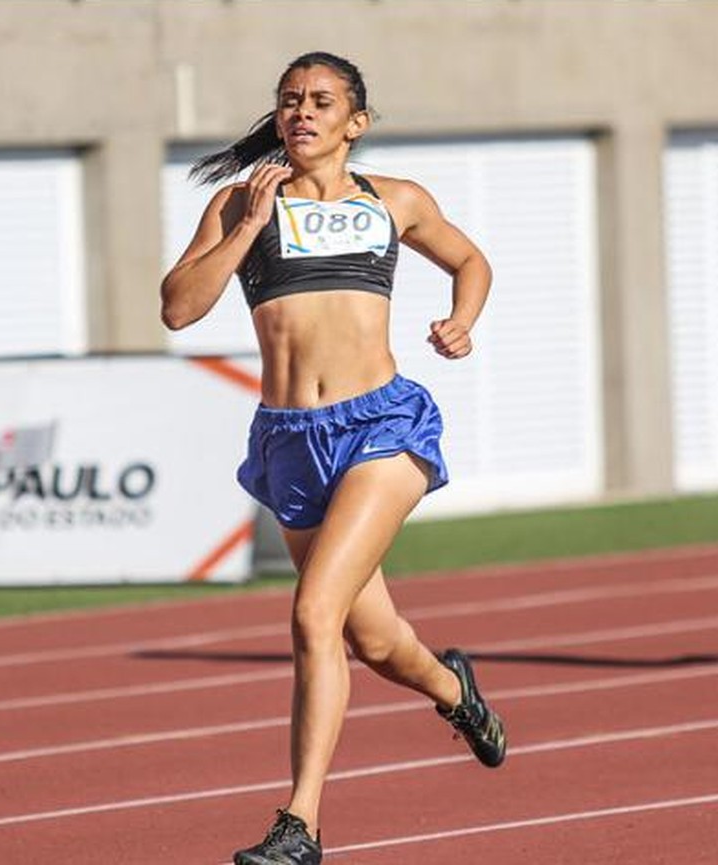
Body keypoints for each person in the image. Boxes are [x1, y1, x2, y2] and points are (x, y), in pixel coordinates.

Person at [160, 51, 506, 865]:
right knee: (376, 641)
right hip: (290, 440)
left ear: (357, 122)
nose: (302, 114)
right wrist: (245, 226)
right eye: (289, 102)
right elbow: (178, 307)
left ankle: (300, 824)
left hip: (382, 426)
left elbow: (471, 260)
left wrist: (463, 319)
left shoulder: (396, 201)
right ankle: (456, 691)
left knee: (314, 614)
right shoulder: (239, 203)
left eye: (321, 102)